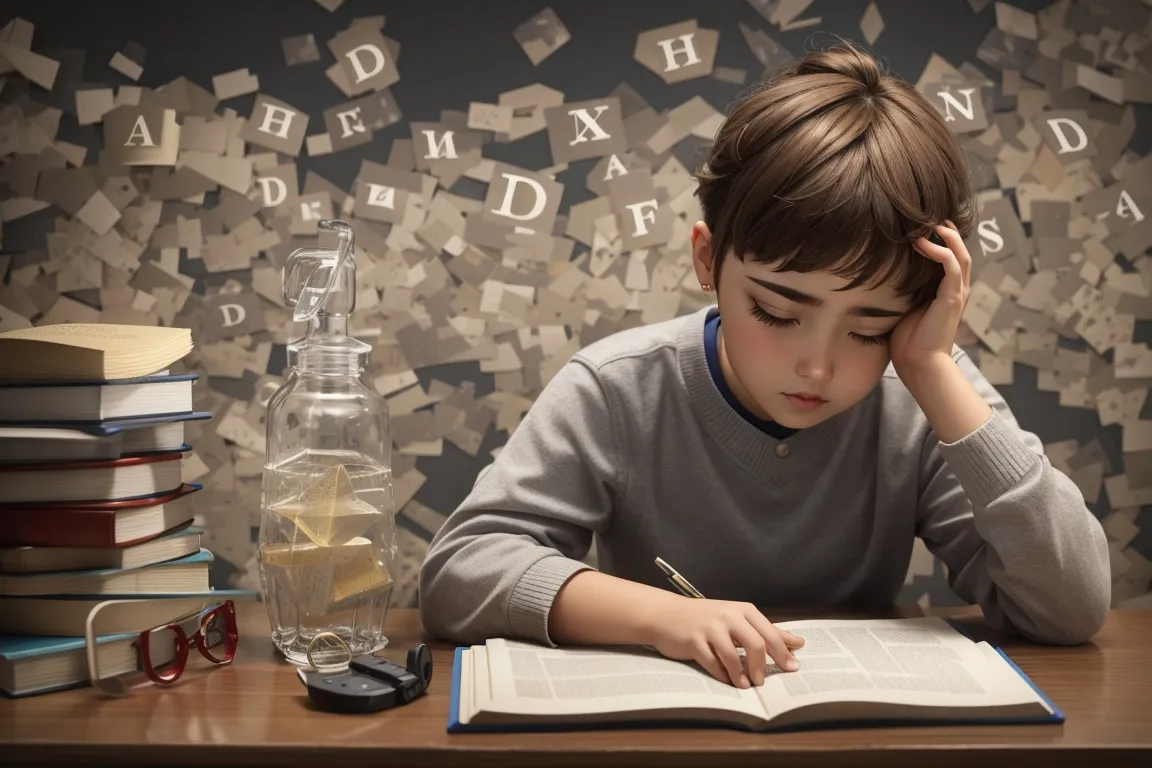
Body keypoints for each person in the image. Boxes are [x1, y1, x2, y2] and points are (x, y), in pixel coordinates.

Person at [417, 41, 1112, 690]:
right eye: (779, 313)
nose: (817, 367)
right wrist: (664, 617)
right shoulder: (619, 385)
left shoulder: (925, 386)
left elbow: (1069, 610)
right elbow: (457, 574)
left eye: (869, 328)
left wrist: (931, 369)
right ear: (708, 259)